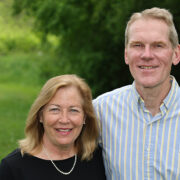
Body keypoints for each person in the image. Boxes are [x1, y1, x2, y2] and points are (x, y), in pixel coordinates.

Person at [93, 7, 180, 180]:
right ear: (126, 54)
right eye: (138, 45)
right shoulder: (100, 110)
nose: (147, 55)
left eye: (158, 45)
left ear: (176, 54)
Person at [0, 74, 106, 180]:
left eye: (73, 110)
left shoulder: (99, 159)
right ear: (40, 115)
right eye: (55, 109)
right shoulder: (12, 168)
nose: (64, 120)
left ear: (85, 117)